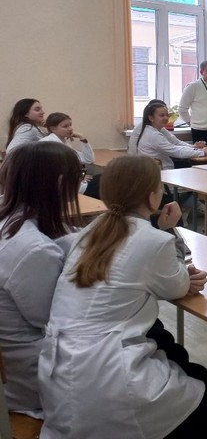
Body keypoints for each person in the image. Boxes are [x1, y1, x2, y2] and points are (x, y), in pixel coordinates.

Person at [38, 156, 207, 439]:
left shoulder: (88, 231)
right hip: (109, 376)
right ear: (153, 196)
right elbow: (178, 286)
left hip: (58, 370)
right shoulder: (155, 240)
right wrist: (170, 230)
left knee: (184, 367)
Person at [0, 141, 83, 416]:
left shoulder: (11, 216)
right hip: (30, 374)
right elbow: (52, 318)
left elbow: (67, 234)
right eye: (79, 176)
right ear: (60, 183)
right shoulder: (33, 250)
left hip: (16, 358)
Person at [41, 112, 100, 197]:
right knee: (109, 180)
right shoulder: (49, 144)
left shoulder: (64, 143)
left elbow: (88, 160)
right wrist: (80, 177)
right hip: (69, 189)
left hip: (77, 184)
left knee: (108, 177)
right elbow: (52, 172)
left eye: (70, 125)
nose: (70, 129)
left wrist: (83, 139)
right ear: (53, 129)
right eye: (65, 126)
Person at [136, 101, 207, 169]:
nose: (166, 118)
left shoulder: (158, 129)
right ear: (151, 118)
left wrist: (194, 148)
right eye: (162, 115)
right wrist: (202, 152)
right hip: (162, 172)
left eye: (167, 115)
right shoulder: (154, 135)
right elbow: (175, 151)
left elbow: (176, 143)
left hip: (162, 168)